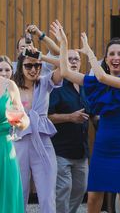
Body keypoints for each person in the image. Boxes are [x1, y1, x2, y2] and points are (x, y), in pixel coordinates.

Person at [52, 23, 120, 213]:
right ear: (106, 58)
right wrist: (63, 43)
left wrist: (89, 52)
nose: (116, 57)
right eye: (112, 54)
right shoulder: (97, 82)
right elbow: (65, 73)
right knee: (93, 199)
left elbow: (103, 77)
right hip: (102, 147)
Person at [12, 35, 63, 213]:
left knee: (48, 195)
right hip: (19, 141)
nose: (33, 69)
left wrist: (42, 45)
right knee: (19, 194)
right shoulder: (12, 87)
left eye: (37, 65)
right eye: (28, 65)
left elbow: (62, 65)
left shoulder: (45, 82)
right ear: (20, 66)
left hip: (43, 142)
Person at [48, 47, 91, 213]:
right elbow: (47, 117)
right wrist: (70, 117)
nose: (73, 62)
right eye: (70, 59)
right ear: (63, 62)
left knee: (80, 189)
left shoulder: (85, 86)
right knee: (63, 190)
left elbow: (92, 113)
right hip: (60, 151)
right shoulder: (56, 86)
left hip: (81, 151)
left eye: (76, 59)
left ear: (80, 63)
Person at [1, 73, 30, 213]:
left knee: (7, 198)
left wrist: (19, 121)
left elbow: (24, 120)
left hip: (4, 151)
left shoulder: (9, 86)